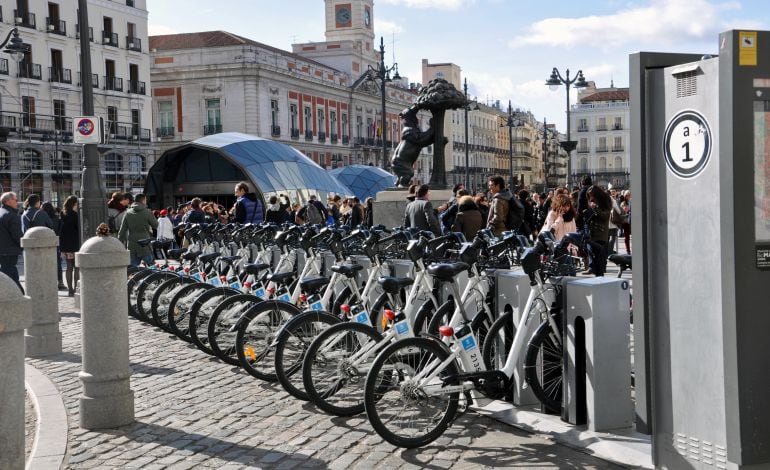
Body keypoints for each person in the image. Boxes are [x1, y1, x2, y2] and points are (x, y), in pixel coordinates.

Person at [118, 193, 159, 267]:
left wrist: (119, 243)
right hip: (145, 244)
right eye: (145, 200)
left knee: (132, 270)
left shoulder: (127, 213)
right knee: (152, 269)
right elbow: (156, 225)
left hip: (132, 245)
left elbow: (122, 231)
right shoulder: (147, 212)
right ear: (143, 201)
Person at [583, 186, 612, 276]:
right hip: (592, 233)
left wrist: (595, 208)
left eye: (591, 195)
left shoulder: (605, 201)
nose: (590, 198)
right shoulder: (593, 202)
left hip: (601, 234)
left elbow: (605, 216)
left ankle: (600, 277)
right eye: (589, 196)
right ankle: (596, 274)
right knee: (594, 258)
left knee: (600, 260)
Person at [0, 192, 23, 292]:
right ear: (8, 201)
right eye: (15, 200)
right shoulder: (12, 215)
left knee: (12, 274)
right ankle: (19, 295)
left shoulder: (1, 212)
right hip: (9, 251)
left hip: (3, 250)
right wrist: (24, 246)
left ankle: (21, 294)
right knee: (8, 277)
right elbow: (17, 235)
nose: (17, 202)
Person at [59, 196, 81, 296]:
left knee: (69, 267)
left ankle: (70, 290)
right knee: (76, 267)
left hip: (66, 244)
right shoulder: (76, 215)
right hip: (76, 244)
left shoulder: (62, 214)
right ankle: (76, 288)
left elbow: (61, 231)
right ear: (74, 204)